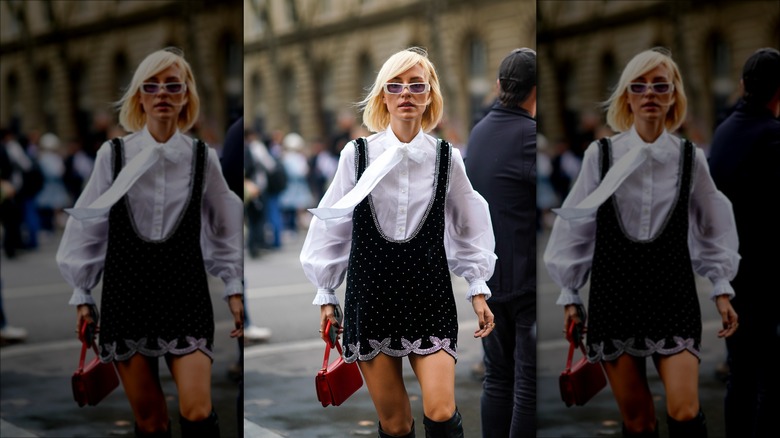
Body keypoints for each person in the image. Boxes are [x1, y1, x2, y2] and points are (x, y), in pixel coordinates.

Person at [543, 48, 740, 438]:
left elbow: (714, 224)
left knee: (685, 411)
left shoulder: (690, 158)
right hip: (615, 298)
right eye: (639, 86)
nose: (650, 93)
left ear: (672, 96)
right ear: (627, 98)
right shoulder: (600, 156)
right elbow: (575, 229)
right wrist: (569, 293)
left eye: (660, 85)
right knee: (638, 422)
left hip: (673, 295)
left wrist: (721, 288)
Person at [301, 47, 497, 438]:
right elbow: (331, 227)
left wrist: (478, 288)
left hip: (429, 295)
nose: (405, 93)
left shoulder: (447, 157)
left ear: (429, 96)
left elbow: (471, 223)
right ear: (383, 97)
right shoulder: (355, 156)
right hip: (371, 298)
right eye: (395, 85)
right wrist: (326, 293)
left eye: (416, 85)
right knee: (395, 424)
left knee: (441, 411)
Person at [56, 47, 244, 437]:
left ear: (185, 96)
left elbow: (225, 226)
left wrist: (234, 287)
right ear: (139, 97)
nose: (162, 93)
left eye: (172, 86)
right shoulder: (114, 154)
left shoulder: (201, 157)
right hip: (127, 297)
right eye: (151, 86)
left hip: (185, 295)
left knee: (197, 411)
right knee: (151, 422)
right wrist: (83, 294)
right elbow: (88, 226)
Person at [464, 48, 537, 438]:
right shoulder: (529, 135)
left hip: (489, 279)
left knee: (497, 378)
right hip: (524, 281)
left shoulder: (480, 131)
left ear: (498, 87)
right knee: (527, 382)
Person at [708, 47, 780, 438]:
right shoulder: (770, 135)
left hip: (732, 273)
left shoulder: (727, 129)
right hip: (762, 274)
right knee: (768, 377)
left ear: (742, 86)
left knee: (742, 374)